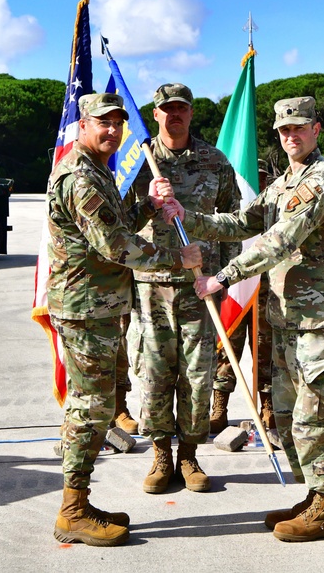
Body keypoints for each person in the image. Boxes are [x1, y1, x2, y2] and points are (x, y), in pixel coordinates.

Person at [167, 96, 324, 543]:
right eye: (283, 130)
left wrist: (224, 276)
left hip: (323, 324)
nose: (291, 136)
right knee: (290, 418)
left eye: (299, 128)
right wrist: (188, 216)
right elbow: (242, 221)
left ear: (316, 130)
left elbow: (278, 240)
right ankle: (312, 495)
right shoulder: (282, 183)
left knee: (319, 419)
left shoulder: (323, 180)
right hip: (290, 321)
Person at [46, 92, 202, 547]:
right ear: (83, 125)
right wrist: (178, 255)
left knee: (93, 407)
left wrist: (147, 207)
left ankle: (80, 501)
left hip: (97, 308)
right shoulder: (81, 177)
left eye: (117, 122)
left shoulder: (97, 171)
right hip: (85, 309)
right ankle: (72, 510)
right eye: (103, 122)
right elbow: (117, 247)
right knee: (90, 410)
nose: (112, 130)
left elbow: (118, 225)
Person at [127, 82, 241, 494]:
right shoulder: (138, 162)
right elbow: (118, 219)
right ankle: (160, 454)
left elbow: (232, 222)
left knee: (197, 375)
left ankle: (189, 455)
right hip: (151, 286)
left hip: (200, 286)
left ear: (191, 113)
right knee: (154, 372)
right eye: (166, 109)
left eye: (181, 108)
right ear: (155, 114)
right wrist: (146, 200)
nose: (174, 115)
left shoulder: (214, 161)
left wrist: (223, 276)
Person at [210, 167, 277, 435]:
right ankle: (220, 407)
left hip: (266, 289)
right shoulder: (229, 207)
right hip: (235, 288)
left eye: (262, 177)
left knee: (266, 350)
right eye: (254, 175)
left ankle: (268, 405)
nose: (258, 181)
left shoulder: (277, 207)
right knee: (227, 349)